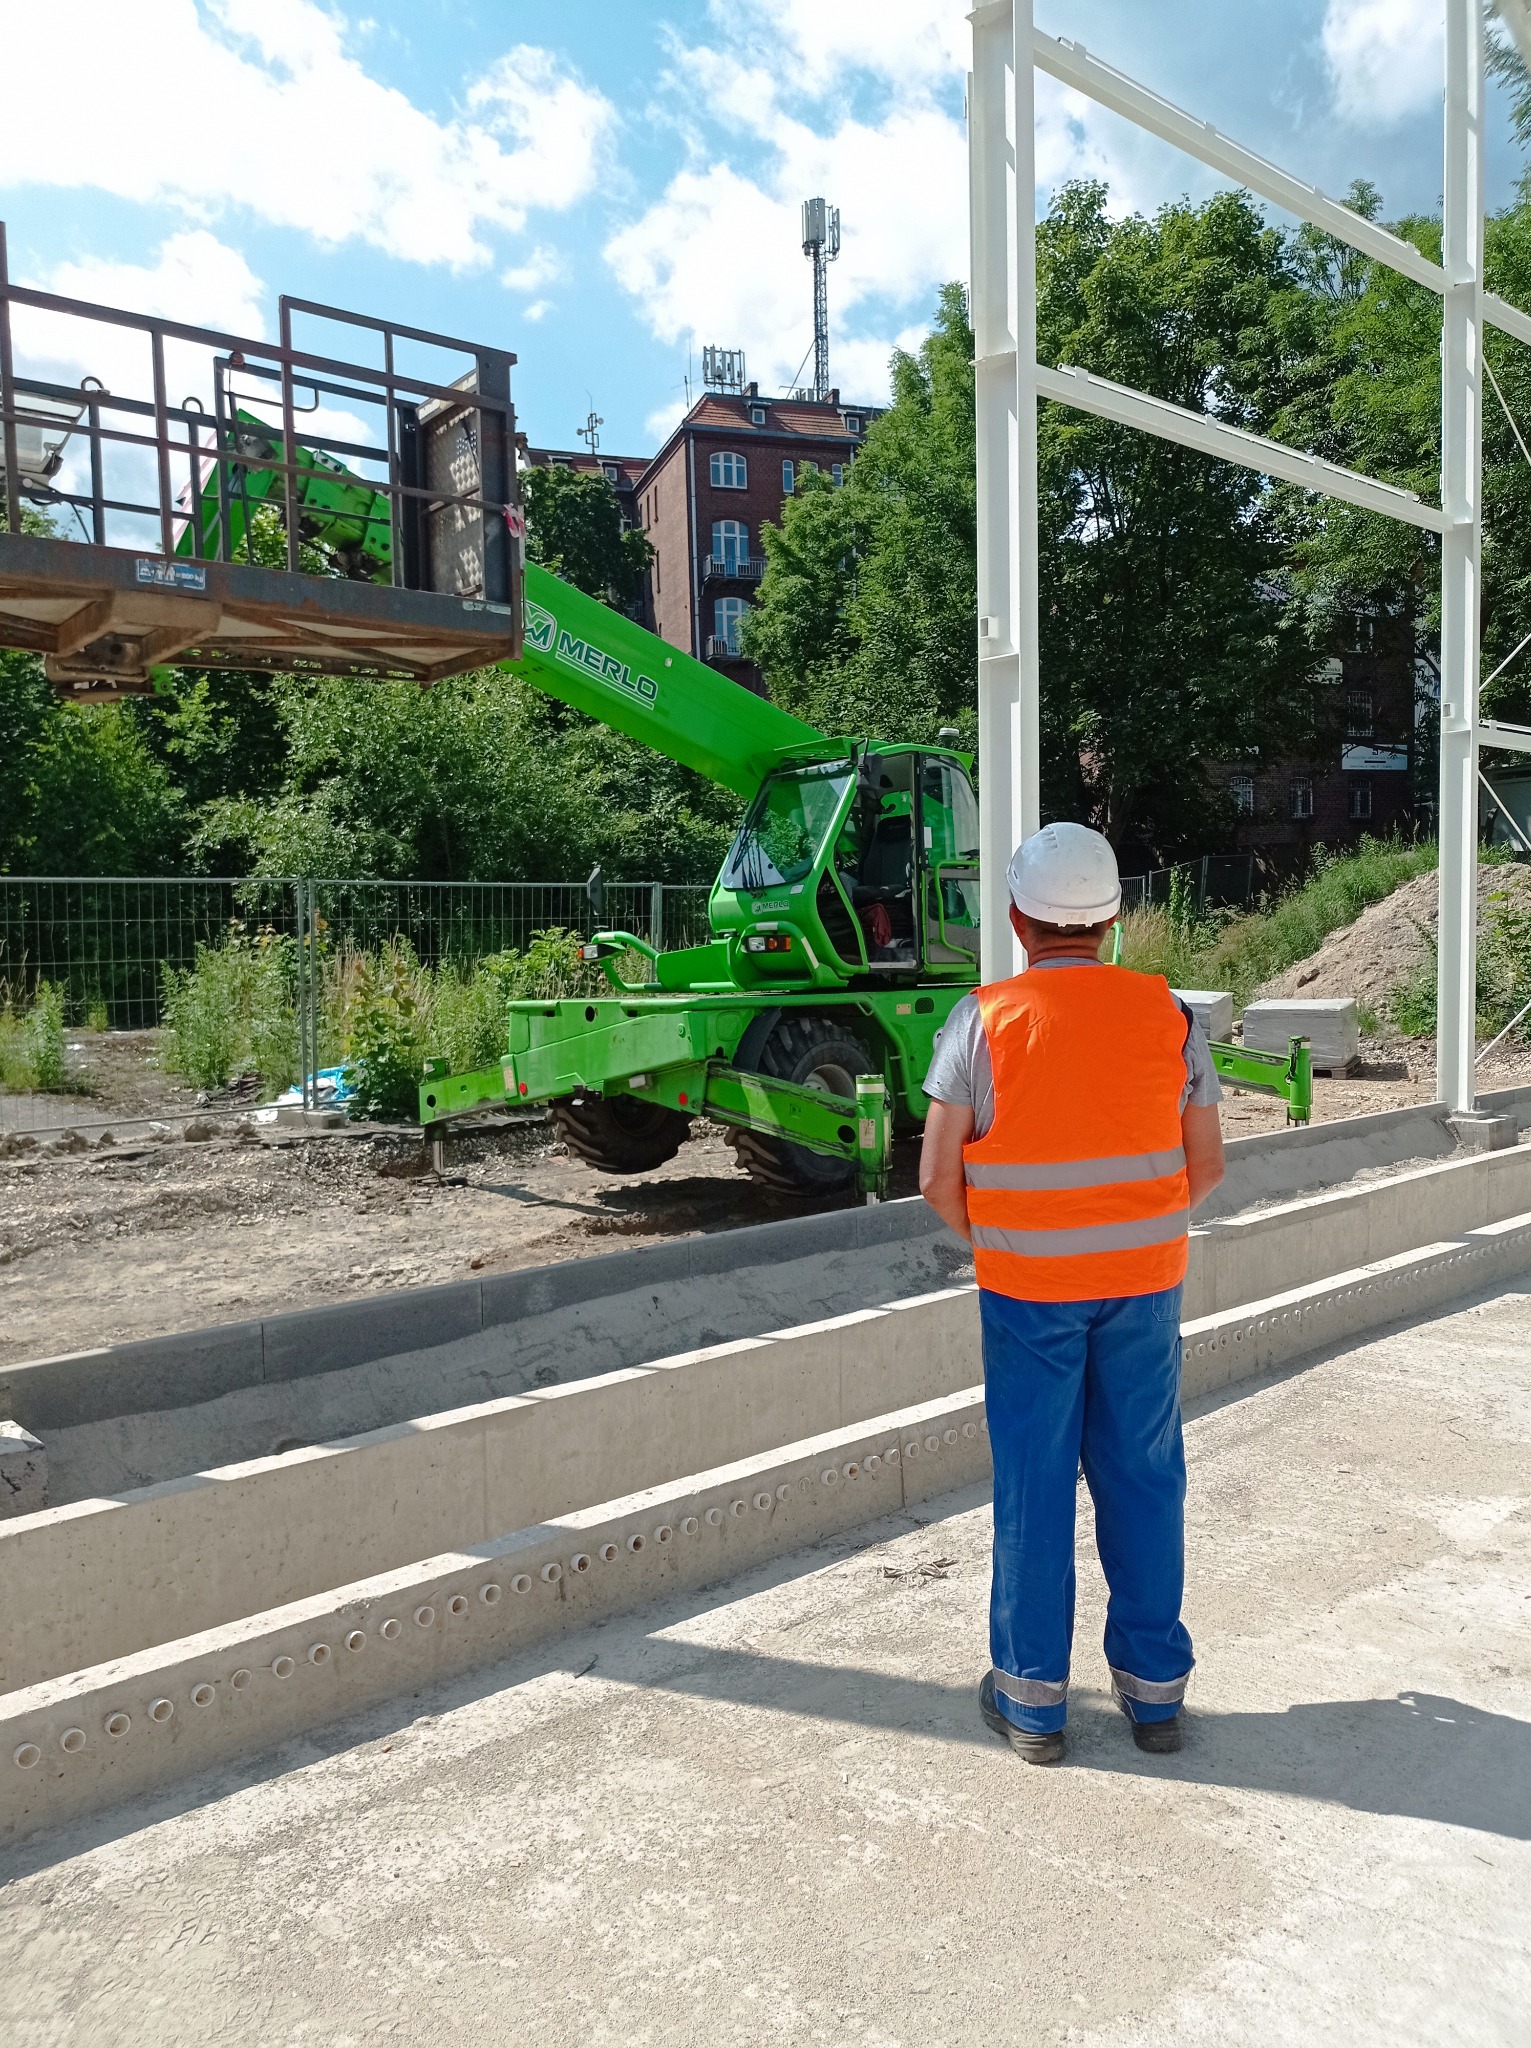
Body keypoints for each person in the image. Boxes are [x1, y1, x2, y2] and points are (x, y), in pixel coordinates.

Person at [919, 823, 1226, 1765]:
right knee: (1143, 1478)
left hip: (1027, 1296)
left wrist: (1009, 1242)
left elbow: (936, 1175)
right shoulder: (1169, 1016)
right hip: (1142, 1290)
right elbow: (1204, 1166)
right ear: (1111, 923)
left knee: (1035, 1484)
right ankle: (1154, 1698)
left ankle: (1034, 1707)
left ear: (1017, 918)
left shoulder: (983, 1019)